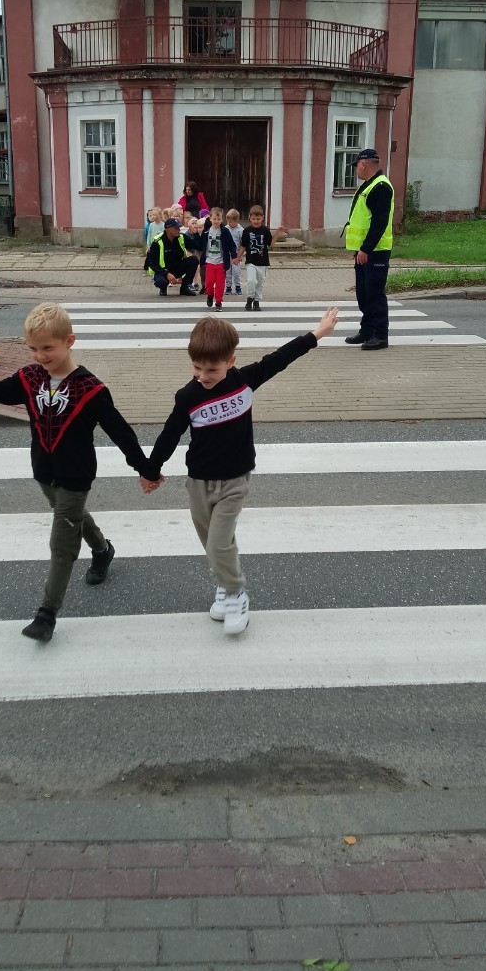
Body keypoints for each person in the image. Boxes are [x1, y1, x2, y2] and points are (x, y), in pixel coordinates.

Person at [0, 302, 157, 643]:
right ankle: (103, 550)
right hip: (44, 471)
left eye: (48, 348)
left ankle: (46, 614)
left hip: (76, 475)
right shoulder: (30, 378)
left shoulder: (90, 389)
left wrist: (145, 468)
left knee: (62, 541)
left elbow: (120, 432)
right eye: (33, 349)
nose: (40, 356)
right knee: (72, 514)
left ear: (69, 341)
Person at [140, 308, 339, 635]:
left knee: (219, 545)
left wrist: (318, 333)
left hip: (234, 480)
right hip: (198, 483)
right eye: (197, 367)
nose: (203, 376)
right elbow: (169, 435)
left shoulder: (244, 381)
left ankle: (236, 594)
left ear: (230, 361)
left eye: (212, 369)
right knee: (213, 544)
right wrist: (151, 471)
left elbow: (281, 357)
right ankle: (225, 584)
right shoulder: (188, 397)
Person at [343, 148, 394, 350]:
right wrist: (361, 249)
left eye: (356, 165)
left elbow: (379, 223)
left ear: (363, 164)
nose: (356, 169)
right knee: (364, 294)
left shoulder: (380, 187)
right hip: (364, 251)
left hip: (375, 252)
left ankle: (380, 336)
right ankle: (367, 331)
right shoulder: (369, 185)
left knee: (375, 294)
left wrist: (366, 248)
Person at [237, 204, 284, 312]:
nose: (256, 221)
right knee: (251, 281)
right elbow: (243, 246)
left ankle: (257, 301)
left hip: (263, 261)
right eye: (253, 219)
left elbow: (270, 244)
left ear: (262, 218)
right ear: (250, 218)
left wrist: (277, 233)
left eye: (258, 219)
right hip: (251, 261)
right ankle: (250, 298)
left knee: (260, 283)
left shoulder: (265, 230)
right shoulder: (246, 231)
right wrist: (238, 257)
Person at [148, 218, 200, 296]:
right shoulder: (157, 242)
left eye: (179, 227)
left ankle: (185, 288)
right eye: (176, 228)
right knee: (161, 282)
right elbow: (152, 264)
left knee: (194, 260)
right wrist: (167, 274)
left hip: (177, 267)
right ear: (168, 229)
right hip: (163, 271)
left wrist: (195, 233)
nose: (179, 230)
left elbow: (198, 246)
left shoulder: (181, 237)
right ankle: (163, 289)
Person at [201, 206, 237, 311]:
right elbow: (201, 244)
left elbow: (232, 245)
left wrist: (234, 256)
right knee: (209, 282)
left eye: (219, 219)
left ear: (222, 219)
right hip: (209, 261)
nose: (216, 221)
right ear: (210, 219)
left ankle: (218, 302)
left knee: (220, 284)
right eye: (214, 219)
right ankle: (210, 295)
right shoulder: (206, 231)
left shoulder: (225, 231)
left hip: (221, 261)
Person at [224, 209, 243, 296]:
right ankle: (228, 287)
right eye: (228, 221)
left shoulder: (240, 230)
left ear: (236, 221)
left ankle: (238, 287)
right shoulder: (226, 228)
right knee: (227, 272)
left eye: (231, 222)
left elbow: (242, 244)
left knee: (236, 272)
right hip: (227, 254)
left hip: (236, 255)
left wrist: (240, 255)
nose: (229, 223)